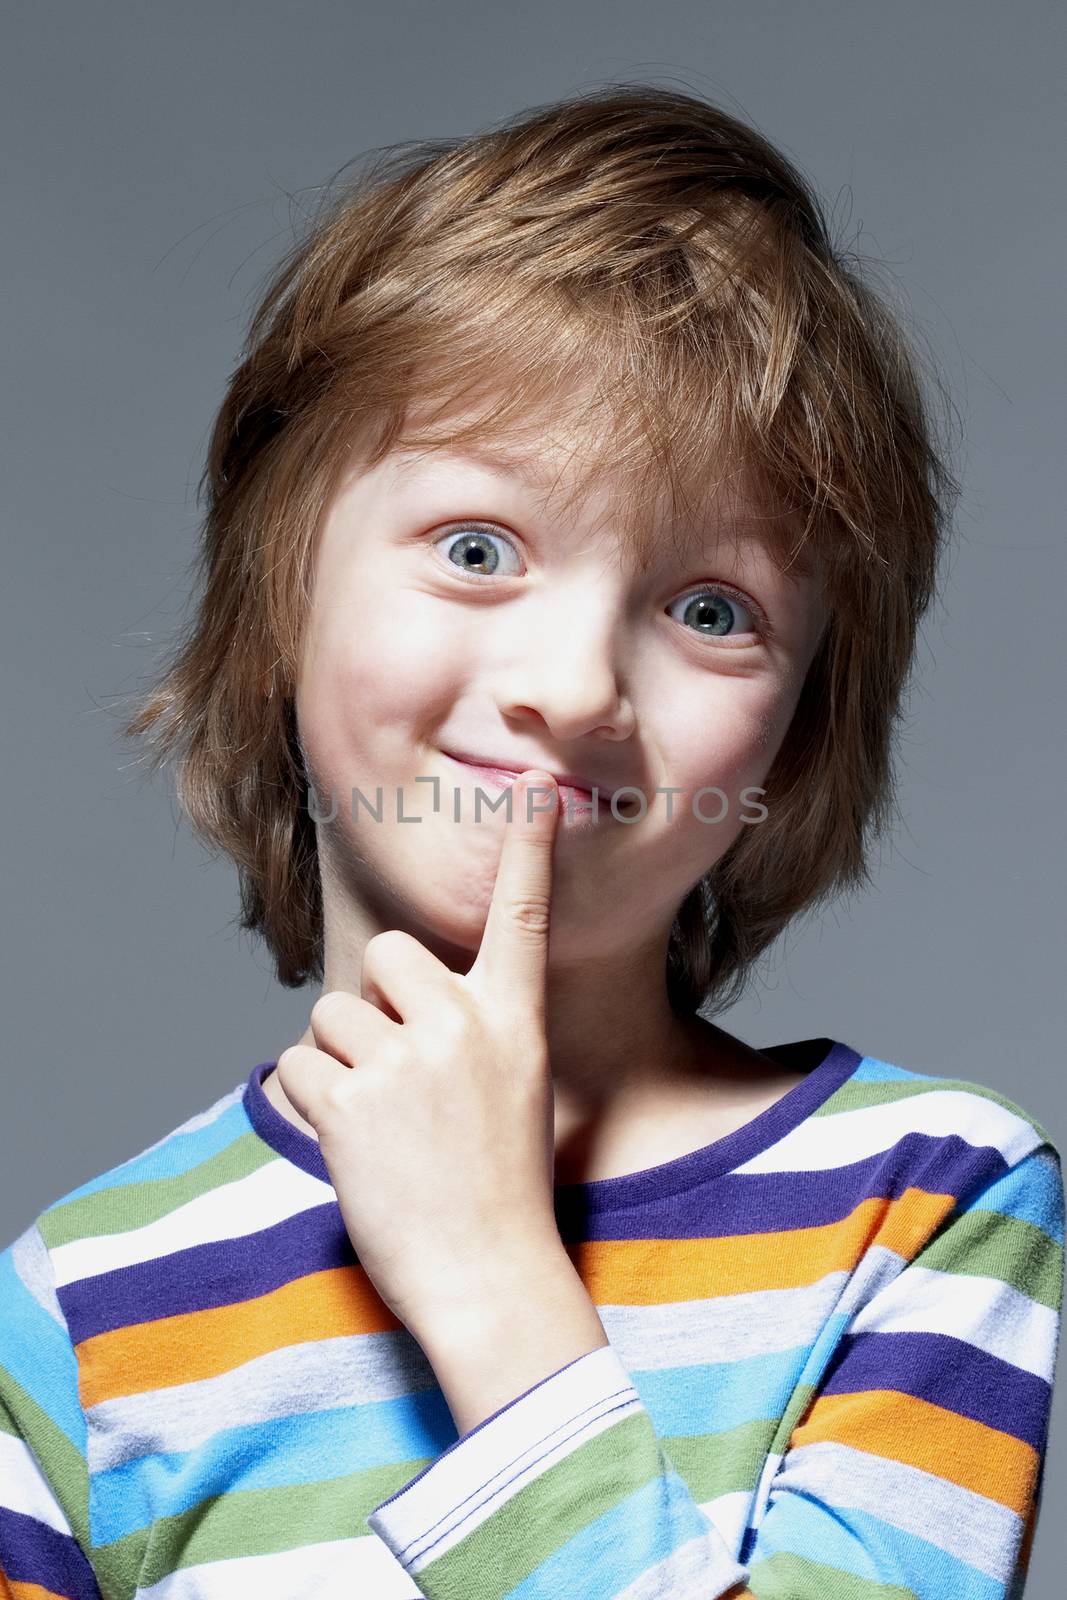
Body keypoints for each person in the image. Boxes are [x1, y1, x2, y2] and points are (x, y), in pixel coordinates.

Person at [1, 84, 1061, 1600]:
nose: (570, 689)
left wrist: (496, 1284)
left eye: (712, 611)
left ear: (799, 736)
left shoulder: (929, 1204)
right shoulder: (75, 1313)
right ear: (275, 600)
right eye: (478, 549)